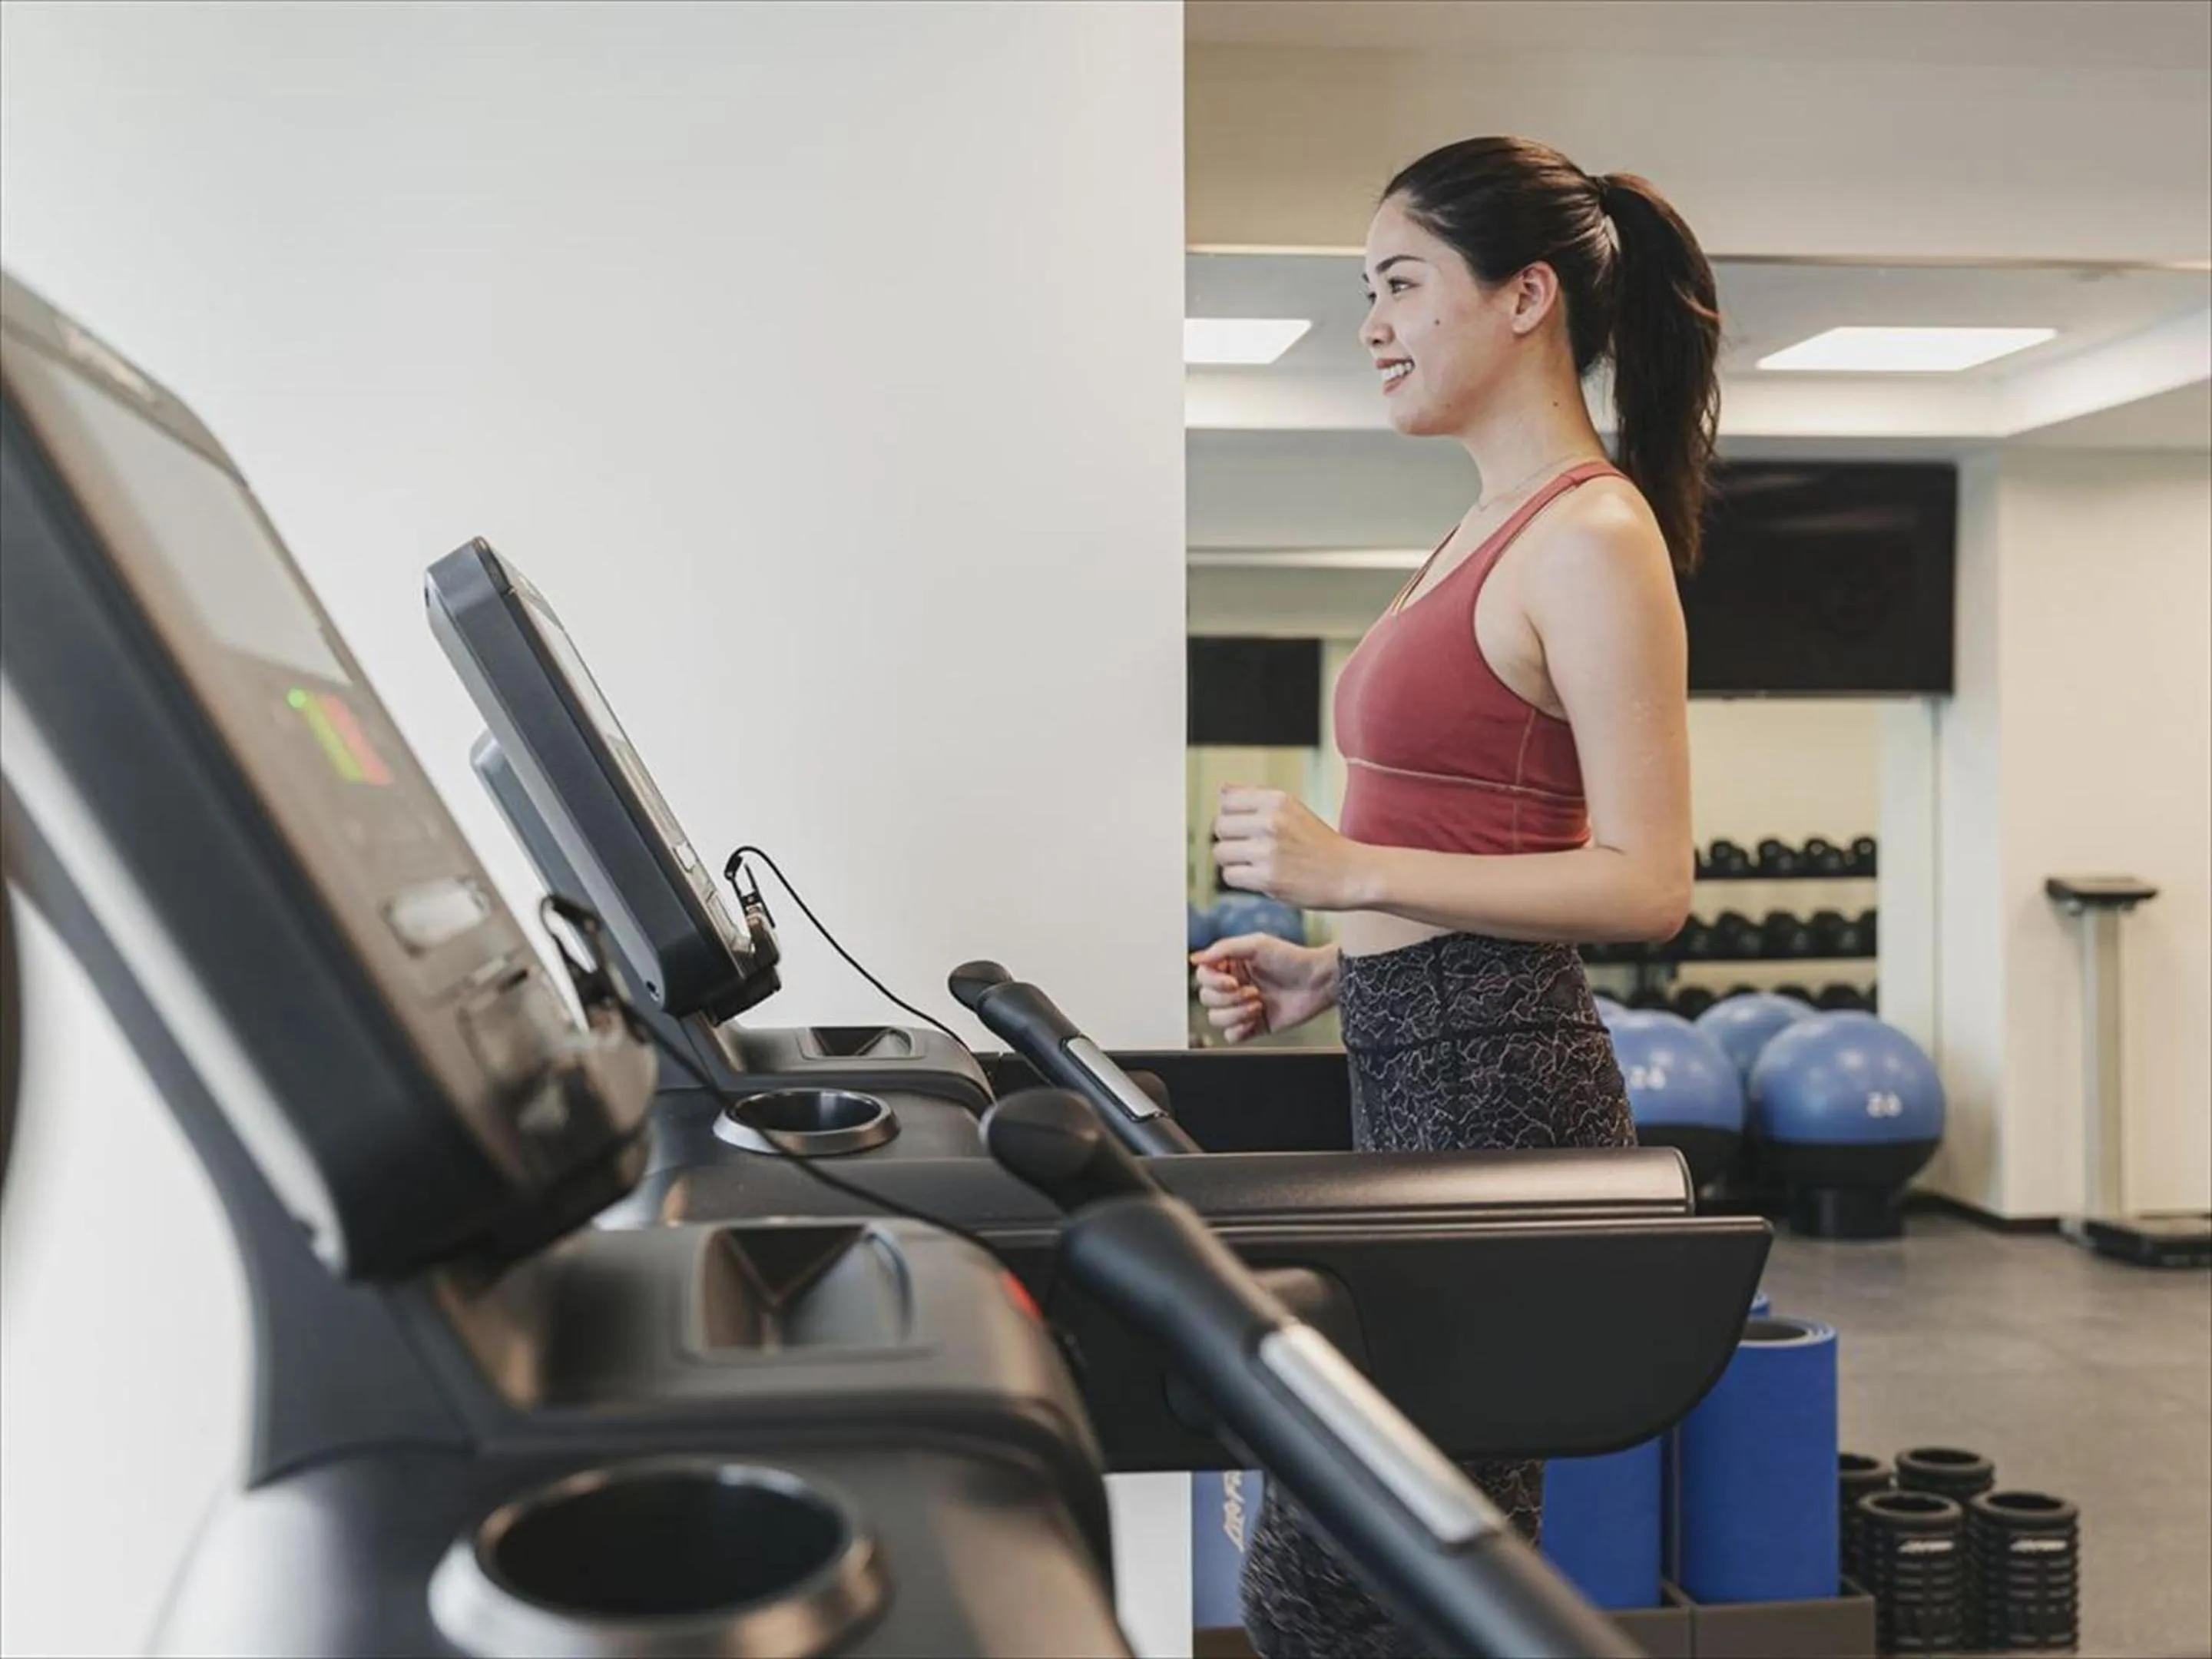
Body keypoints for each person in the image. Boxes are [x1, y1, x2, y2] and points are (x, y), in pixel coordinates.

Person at [1190, 135, 1718, 1659]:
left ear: (1525, 296)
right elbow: (1483, 844)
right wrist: (1331, 971)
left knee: (1348, 1568)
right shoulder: (1480, 531)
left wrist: (1349, 871)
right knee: (1366, 1563)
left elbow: (1648, 879)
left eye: (1402, 282)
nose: (1372, 323)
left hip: (1506, 1080)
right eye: (1368, 290)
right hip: (1421, 1049)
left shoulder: (1594, 536)